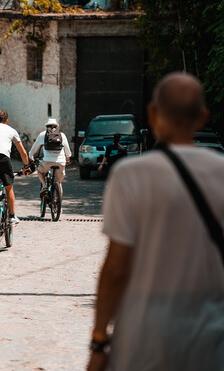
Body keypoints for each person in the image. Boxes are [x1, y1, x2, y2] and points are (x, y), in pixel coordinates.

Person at [87, 73, 224, 371]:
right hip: (210, 340)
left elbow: (116, 267)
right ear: (203, 117)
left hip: (143, 339)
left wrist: (99, 340)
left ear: (152, 113)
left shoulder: (130, 174)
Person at [29, 118, 72, 198]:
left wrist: (31, 157)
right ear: (56, 126)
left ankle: (44, 185)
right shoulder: (62, 135)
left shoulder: (43, 134)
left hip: (47, 161)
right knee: (59, 182)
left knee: (40, 171)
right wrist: (67, 159)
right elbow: (67, 150)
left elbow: (34, 149)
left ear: (47, 127)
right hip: (60, 161)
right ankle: (59, 205)